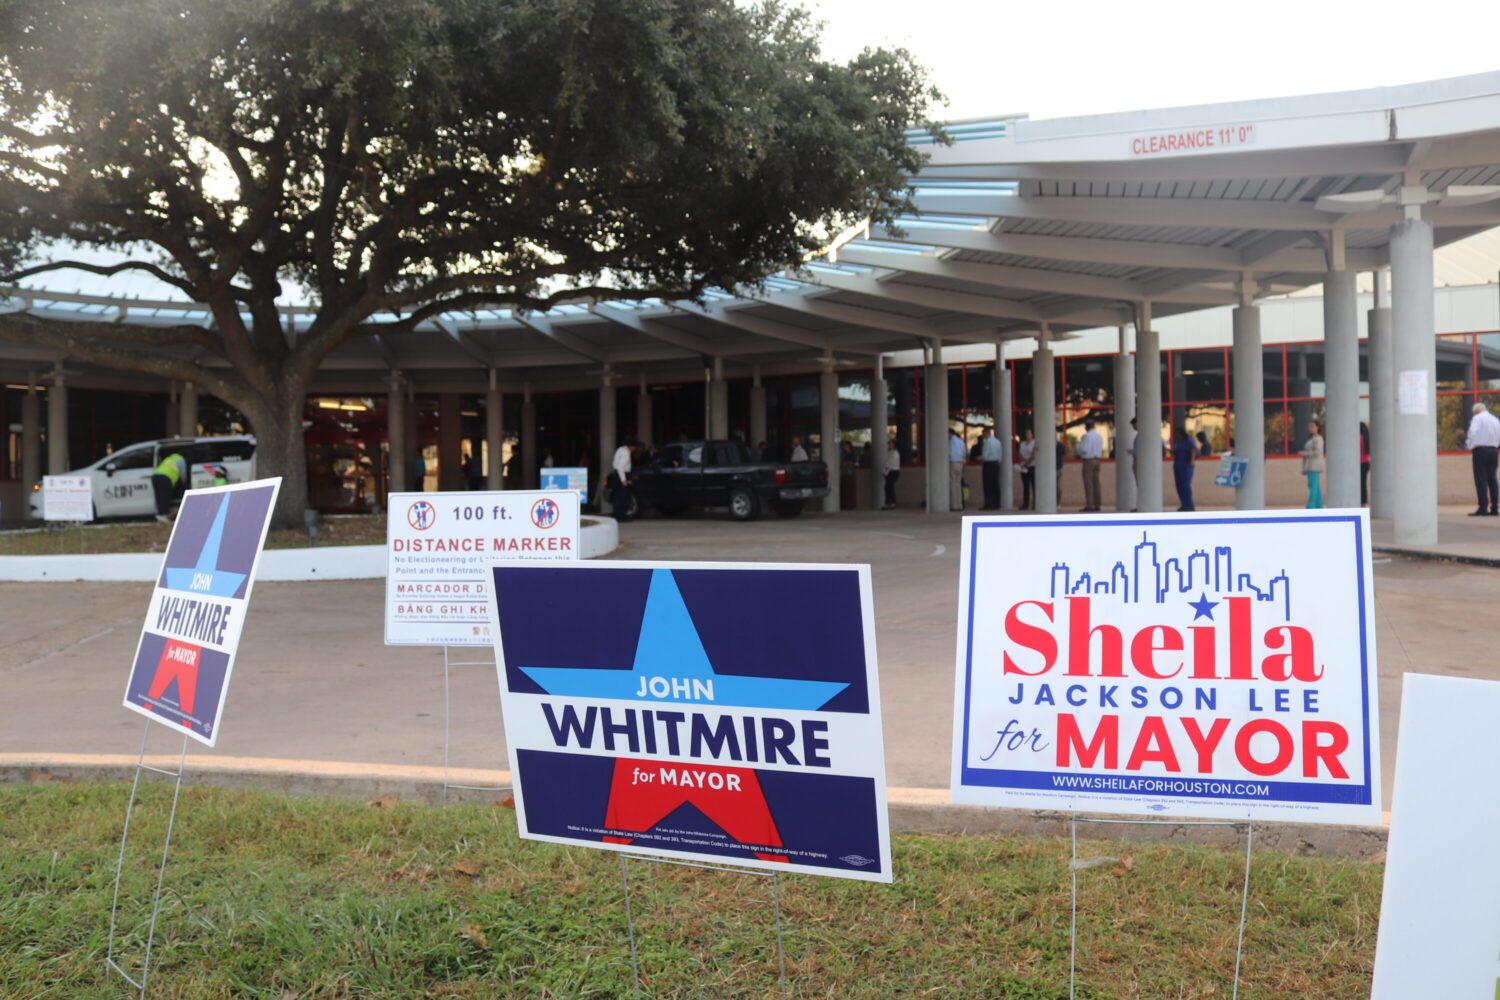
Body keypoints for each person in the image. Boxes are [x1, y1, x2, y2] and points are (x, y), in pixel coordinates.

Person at [1464, 401, 1500, 516]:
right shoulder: (1495, 419)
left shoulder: (1477, 418)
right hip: (1494, 451)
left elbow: (1472, 433)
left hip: (1480, 451)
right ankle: (1494, 508)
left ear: (1476, 411)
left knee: (1481, 479)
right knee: (1492, 479)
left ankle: (1483, 508)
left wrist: (1469, 445)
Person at [150, 450, 187, 522]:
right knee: (164, 496)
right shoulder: (180, 459)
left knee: (159, 496)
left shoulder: (169, 458)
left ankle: (160, 514)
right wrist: (184, 483)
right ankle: (163, 515)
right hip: (165, 478)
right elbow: (183, 473)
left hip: (155, 476)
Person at [1076, 419, 1103, 511]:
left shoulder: (1087, 436)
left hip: (1089, 460)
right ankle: (1097, 504)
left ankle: (1090, 505)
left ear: (1087, 426)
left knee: (1088, 483)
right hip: (1097, 460)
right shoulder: (1099, 436)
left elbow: (1084, 449)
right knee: (1096, 483)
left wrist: (1078, 446)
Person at [1300, 419, 1325, 509]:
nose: (1310, 428)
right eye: (1309, 427)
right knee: (1315, 485)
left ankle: (1311, 505)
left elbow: (1318, 452)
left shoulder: (1319, 438)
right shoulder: (1312, 439)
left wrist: (1305, 453)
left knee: (1313, 486)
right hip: (1310, 465)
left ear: (1317, 427)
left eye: (1313, 426)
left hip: (1314, 465)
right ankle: (1318, 505)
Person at [611, 439, 636, 522]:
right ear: (631, 447)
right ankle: (621, 516)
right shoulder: (626, 453)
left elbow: (614, 463)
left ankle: (617, 515)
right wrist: (623, 480)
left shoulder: (620, 449)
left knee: (618, 497)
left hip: (616, 474)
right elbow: (621, 467)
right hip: (622, 475)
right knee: (624, 497)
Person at [1172, 425, 1196, 511]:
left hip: (1186, 466)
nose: (1176, 435)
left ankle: (1189, 505)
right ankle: (1183, 504)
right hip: (1177, 465)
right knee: (1179, 486)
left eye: (1177, 434)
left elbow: (1193, 450)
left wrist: (1192, 461)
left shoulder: (1188, 440)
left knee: (1185, 485)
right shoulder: (1177, 442)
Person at [979, 426, 1003, 510]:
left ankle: (988, 504)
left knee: (988, 485)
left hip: (988, 464)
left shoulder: (987, 442)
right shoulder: (998, 442)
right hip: (996, 464)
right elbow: (1000, 455)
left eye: (983, 434)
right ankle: (996, 504)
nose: (983, 435)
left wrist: (979, 458)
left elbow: (985, 456)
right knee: (995, 484)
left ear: (987, 433)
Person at [948, 425, 966, 511]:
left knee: (953, 485)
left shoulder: (951, 442)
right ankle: (960, 505)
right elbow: (964, 453)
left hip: (953, 462)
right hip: (960, 463)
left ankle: (954, 505)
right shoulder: (960, 441)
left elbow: (949, 453)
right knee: (958, 485)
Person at [1018, 428, 1037, 510]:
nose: (1027, 435)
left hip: (1032, 466)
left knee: (1034, 486)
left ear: (1032, 434)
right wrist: (1023, 461)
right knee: (1026, 486)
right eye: (1026, 434)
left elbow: (1034, 454)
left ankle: (1035, 504)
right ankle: (1025, 504)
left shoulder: (1034, 443)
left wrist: (1027, 462)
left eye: (1029, 433)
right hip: (1023, 467)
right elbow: (1019, 454)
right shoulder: (1022, 444)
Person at [883, 439, 901, 509]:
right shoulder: (890, 452)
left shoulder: (895, 453)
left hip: (893, 471)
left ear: (894, 445)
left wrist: (885, 472)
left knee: (889, 487)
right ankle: (888, 502)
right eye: (888, 444)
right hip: (890, 471)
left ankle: (892, 502)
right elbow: (887, 463)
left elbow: (890, 464)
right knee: (887, 487)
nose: (889, 445)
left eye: (890, 444)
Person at [1359, 422, 1371, 506]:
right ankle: (1364, 501)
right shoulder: (1366, 438)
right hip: (1366, 462)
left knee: (1360, 483)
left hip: (1360, 463)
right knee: (1363, 483)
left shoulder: (1359, 438)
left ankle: (1361, 500)